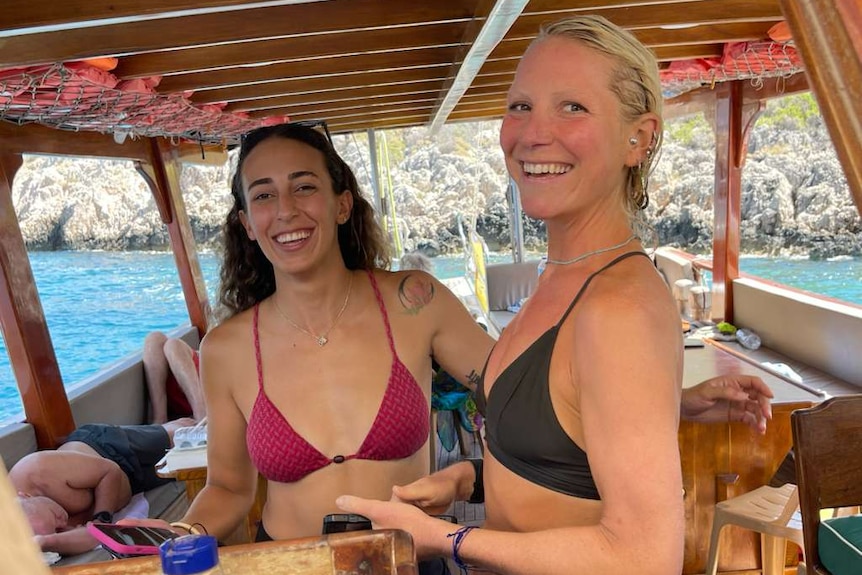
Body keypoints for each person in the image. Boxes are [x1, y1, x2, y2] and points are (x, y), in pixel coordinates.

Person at [335, 16, 771, 575]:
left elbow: (644, 557)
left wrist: (448, 538)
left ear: (639, 137)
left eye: (573, 107)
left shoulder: (618, 309)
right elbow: (563, 453)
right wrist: (472, 477)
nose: (534, 133)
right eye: (521, 106)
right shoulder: (563, 276)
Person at [147, 123, 493, 575]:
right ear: (247, 224)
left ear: (342, 204)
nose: (286, 210)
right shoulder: (226, 349)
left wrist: (474, 475)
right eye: (264, 195)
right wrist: (185, 532)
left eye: (304, 187)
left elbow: (517, 396)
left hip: (407, 562)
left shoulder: (415, 301)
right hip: (289, 566)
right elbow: (230, 489)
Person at [11, 417, 195, 556]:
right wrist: (47, 541)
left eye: (54, 516)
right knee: (188, 466)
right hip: (132, 485)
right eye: (57, 528)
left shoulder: (36, 470)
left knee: (185, 433)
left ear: (25, 496)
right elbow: (95, 535)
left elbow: (109, 470)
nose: (62, 523)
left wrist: (102, 517)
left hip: (109, 448)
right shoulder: (40, 531)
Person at [143, 331, 206, 424]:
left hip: (208, 393)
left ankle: (202, 415)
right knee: (154, 339)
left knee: (173, 345)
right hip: (187, 385)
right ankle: (160, 419)